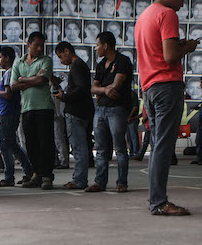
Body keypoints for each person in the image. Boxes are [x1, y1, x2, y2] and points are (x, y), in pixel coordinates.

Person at [136, 0, 198, 216]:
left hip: (149, 87)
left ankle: (156, 198)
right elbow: (170, 56)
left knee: (157, 144)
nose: (182, 4)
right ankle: (159, 202)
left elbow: (157, 51)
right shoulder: (167, 14)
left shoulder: (144, 16)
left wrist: (177, 44)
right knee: (163, 145)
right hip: (166, 85)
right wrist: (188, 47)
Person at [87, 31, 133, 193]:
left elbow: (117, 85)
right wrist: (105, 90)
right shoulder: (101, 65)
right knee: (101, 148)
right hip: (100, 109)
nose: (96, 48)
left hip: (117, 109)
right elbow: (93, 88)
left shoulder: (123, 61)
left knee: (120, 148)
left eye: (98, 45)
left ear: (106, 45)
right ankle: (100, 182)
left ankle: (122, 182)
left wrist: (102, 90)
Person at [11, 31, 56, 190]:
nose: (39, 49)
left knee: (46, 143)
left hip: (44, 107)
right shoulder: (19, 62)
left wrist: (23, 79)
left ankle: (47, 176)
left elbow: (42, 79)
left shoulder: (46, 60)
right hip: (27, 108)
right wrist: (31, 80)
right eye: (36, 45)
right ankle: (37, 174)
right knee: (31, 144)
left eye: (41, 46)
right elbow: (13, 85)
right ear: (28, 44)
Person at [0, 47, 33, 187]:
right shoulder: (10, 73)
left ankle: (9, 176)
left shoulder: (9, 73)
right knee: (12, 144)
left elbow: (8, 94)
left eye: (0, 57)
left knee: (4, 145)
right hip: (8, 112)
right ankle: (29, 171)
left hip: (7, 113)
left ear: (7, 58)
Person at [54, 42, 94, 190]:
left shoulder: (76, 65)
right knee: (81, 146)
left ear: (67, 51)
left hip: (76, 112)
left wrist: (64, 96)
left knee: (78, 148)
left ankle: (79, 179)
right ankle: (79, 178)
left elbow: (82, 88)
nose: (61, 60)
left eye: (60, 56)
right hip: (83, 111)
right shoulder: (80, 65)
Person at [50, 75, 69, 169]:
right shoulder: (51, 87)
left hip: (57, 115)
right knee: (54, 140)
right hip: (53, 116)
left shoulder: (56, 88)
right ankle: (56, 160)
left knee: (59, 139)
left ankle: (64, 161)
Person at [126, 89, 140, 158]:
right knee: (129, 137)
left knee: (133, 136)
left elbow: (135, 107)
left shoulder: (132, 94)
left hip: (132, 119)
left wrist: (130, 116)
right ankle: (131, 152)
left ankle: (136, 152)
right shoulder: (127, 94)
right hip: (128, 119)